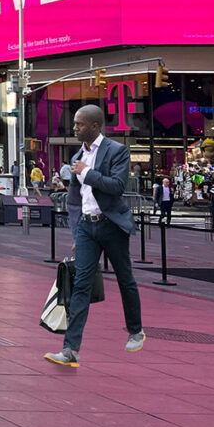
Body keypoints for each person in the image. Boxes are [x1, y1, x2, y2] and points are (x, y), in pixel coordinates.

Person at [45, 105, 143, 368]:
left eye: (79, 124)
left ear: (95, 126)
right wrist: (77, 232)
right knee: (81, 286)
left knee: (125, 279)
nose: (74, 128)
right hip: (87, 227)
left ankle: (136, 330)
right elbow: (75, 200)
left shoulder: (116, 151)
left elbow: (117, 186)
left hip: (111, 224)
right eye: (75, 124)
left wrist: (86, 172)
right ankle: (70, 350)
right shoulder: (79, 154)